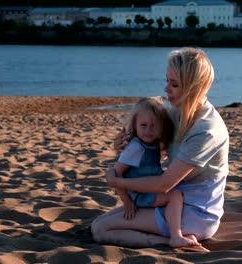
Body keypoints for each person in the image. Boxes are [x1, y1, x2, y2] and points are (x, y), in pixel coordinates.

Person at [91, 47, 229, 249]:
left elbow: (164, 183)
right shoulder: (177, 113)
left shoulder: (206, 130)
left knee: (101, 230)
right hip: (175, 200)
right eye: (167, 81)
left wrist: (117, 181)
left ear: (193, 88)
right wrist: (122, 143)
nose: (166, 89)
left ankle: (168, 241)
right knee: (98, 222)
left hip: (197, 213)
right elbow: (153, 148)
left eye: (174, 84)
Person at [111, 96, 199, 247]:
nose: (148, 130)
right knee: (175, 196)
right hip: (141, 194)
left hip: (147, 189)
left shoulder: (153, 144)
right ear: (135, 125)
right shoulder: (135, 147)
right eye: (143, 125)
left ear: (161, 128)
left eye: (153, 126)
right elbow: (116, 173)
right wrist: (126, 201)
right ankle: (176, 236)